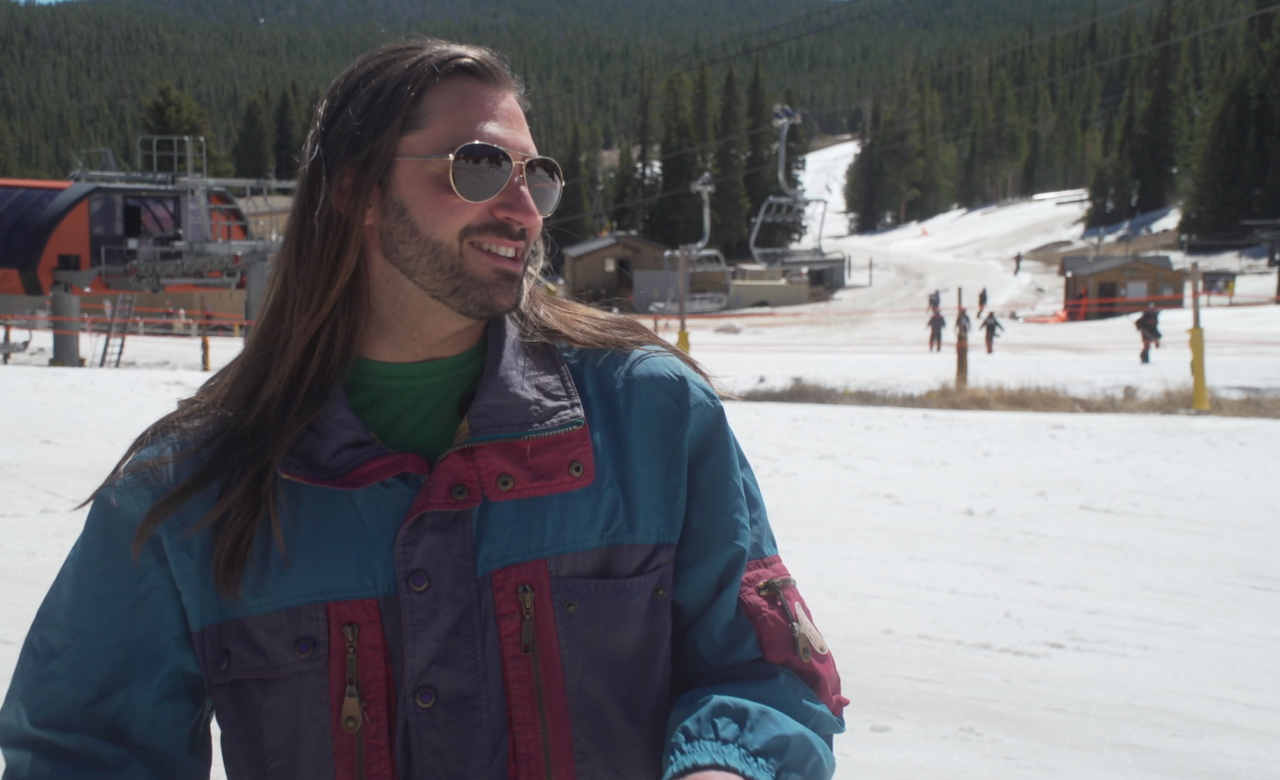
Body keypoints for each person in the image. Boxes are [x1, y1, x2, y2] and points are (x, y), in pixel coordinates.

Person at [0, 41, 845, 780]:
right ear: (356, 191)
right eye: (478, 167)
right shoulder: (191, 486)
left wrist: (722, 769)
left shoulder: (649, 418)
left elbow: (767, 673)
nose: (522, 210)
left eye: (538, 179)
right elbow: (82, 750)